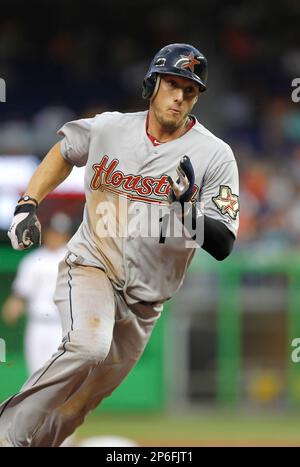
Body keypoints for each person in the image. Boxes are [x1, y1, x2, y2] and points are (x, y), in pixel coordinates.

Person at [0, 43, 239, 447]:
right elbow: (64, 150)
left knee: (78, 407)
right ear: (153, 84)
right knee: (88, 346)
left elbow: (224, 244)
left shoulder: (215, 155)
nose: (180, 96)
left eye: (191, 90)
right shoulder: (109, 128)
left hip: (146, 302)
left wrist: (188, 211)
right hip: (93, 267)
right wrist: (28, 202)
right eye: (172, 84)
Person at [1, 213, 72, 376]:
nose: (55, 236)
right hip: (37, 324)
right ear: (46, 233)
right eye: (53, 232)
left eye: (60, 233)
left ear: (67, 235)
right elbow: (20, 295)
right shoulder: (32, 260)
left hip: (63, 325)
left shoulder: (73, 258)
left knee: (59, 376)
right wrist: (13, 306)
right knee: (35, 375)